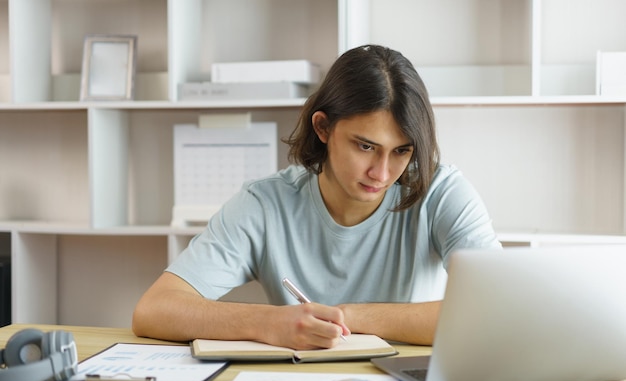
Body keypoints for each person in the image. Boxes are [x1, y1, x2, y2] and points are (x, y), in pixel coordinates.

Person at [132, 44, 501, 349]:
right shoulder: (266, 204)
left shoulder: (441, 193)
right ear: (323, 127)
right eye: (365, 146)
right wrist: (269, 322)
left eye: (402, 151)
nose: (383, 173)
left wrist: (348, 317)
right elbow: (154, 309)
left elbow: (496, 309)